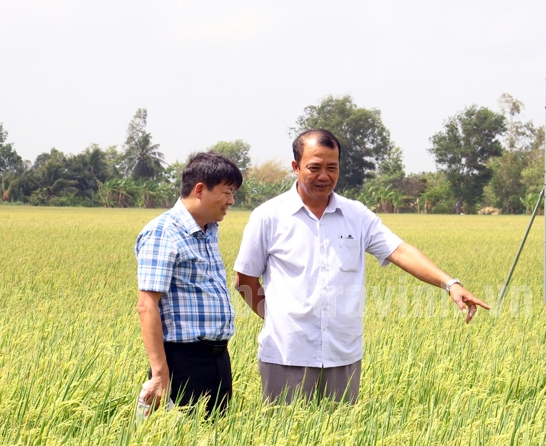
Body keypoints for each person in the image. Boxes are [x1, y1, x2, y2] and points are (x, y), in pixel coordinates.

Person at [234, 129, 489, 404]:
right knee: (283, 438)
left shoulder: (356, 215)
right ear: (296, 167)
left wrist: (450, 284)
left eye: (332, 167)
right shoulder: (269, 217)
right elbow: (245, 280)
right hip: (286, 355)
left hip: (342, 355)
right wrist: (278, 319)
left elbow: (400, 251)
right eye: (314, 167)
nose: (324, 176)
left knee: (341, 438)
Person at [135, 152, 241, 417]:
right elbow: (147, 305)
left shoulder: (208, 230)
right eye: (227, 192)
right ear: (200, 190)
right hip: (183, 361)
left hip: (217, 359)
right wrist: (160, 374)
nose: (231, 201)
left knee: (215, 444)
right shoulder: (163, 232)